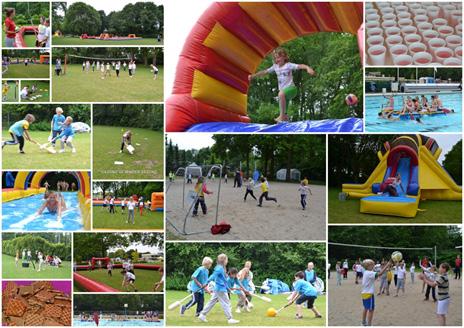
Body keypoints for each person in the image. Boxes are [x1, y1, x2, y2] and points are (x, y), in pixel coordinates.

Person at [248, 47, 315, 122]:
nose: (277, 60)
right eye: (275, 58)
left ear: (284, 57)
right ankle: (285, 118)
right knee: (283, 108)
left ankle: (281, 116)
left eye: (279, 57)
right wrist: (253, 76)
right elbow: (264, 72)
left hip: (291, 89)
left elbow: (301, 66)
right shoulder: (275, 67)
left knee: (280, 95)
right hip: (284, 93)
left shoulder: (288, 65)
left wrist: (308, 68)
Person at [199, 254, 240, 324]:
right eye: (227, 260)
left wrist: (228, 288)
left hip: (219, 288)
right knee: (226, 303)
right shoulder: (219, 268)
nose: (227, 261)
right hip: (220, 289)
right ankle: (230, 319)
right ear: (224, 260)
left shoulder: (221, 268)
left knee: (212, 302)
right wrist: (206, 282)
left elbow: (224, 280)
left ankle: (202, 315)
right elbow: (213, 275)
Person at [360, 258, 391, 326]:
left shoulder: (366, 272)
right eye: (372, 265)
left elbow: (375, 277)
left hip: (364, 293)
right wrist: (387, 265)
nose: (373, 266)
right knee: (371, 310)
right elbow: (380, 274)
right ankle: (369, 325)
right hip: (369, 294)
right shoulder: (369, 273)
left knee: (365, 308)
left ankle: (363, 322)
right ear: (368, 266)